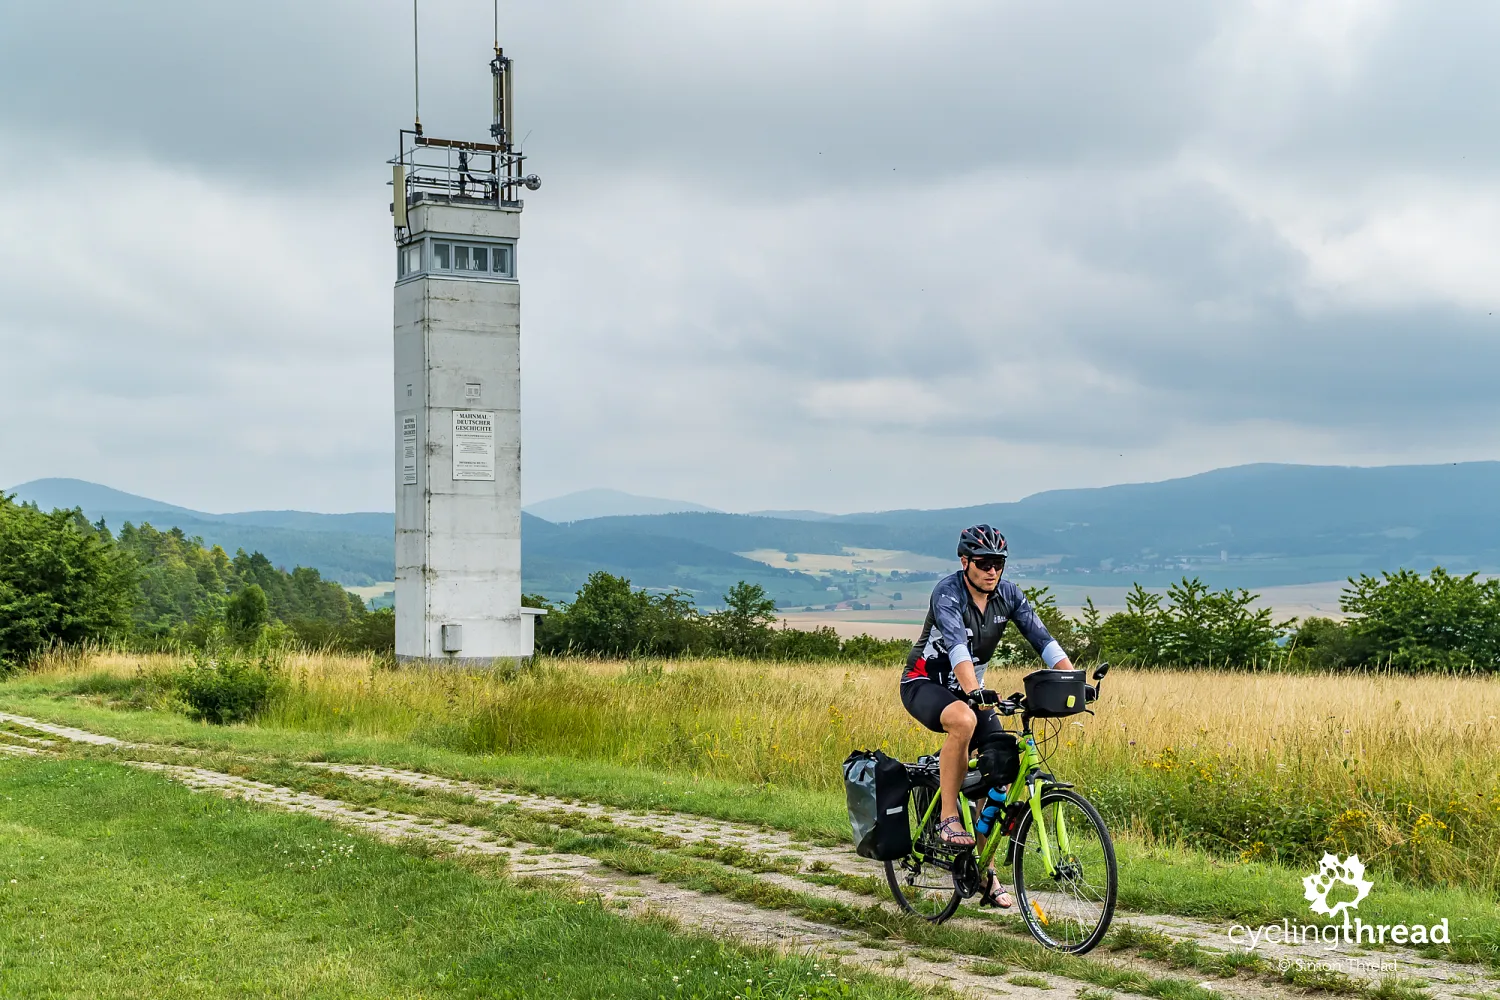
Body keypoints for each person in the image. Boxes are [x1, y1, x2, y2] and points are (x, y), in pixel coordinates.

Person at [899, 524, 1074, 908]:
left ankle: (985, 871)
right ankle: (947, 815)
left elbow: (1043, 640)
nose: (992, 570)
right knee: (963, 720)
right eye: (983, 563)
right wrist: (974, 690)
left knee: (1001, 765)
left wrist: (1071, 681)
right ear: (965, 562)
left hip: (971, 691)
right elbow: (958, 647)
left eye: (999, 563)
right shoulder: (948, 592)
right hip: (924, 683)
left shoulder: (1008, 595)